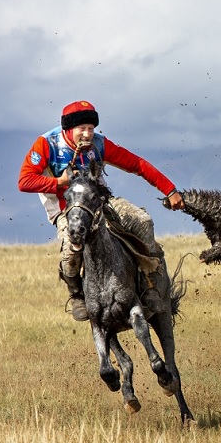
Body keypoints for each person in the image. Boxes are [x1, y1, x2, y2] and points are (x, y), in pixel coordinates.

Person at [18, 100, 184, 321]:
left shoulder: (100, 144)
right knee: (70, 249)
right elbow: (24, 181)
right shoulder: (47, 144)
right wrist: (59, 182)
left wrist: (170, 189)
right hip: (65, 208)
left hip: (100, 203)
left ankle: (149, 285)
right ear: (68, 129)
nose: (87, 135)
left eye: (91, 128)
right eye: (82, 129)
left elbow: (137, 164)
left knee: (143, 221)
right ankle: (77, 295)